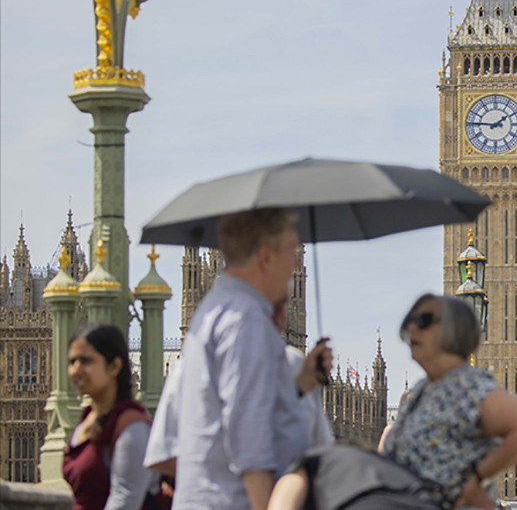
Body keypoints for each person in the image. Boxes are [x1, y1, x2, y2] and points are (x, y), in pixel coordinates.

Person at [268, 293, 517, 509]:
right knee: (310, 466)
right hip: (400, 496)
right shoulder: (424, 389)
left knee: (313, 464)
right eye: (409, 322)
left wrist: (476, 478)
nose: (412, 328)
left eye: (424, 321)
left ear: (454, 332)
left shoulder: (467, 385)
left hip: (426, 501)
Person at [173, 208, 326, 510]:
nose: (296, 264)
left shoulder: (217, 310)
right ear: (266, 257)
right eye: (291, 252)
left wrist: (297, 386)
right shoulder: (245, 321)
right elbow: (250, 444)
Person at [144, 299, 333, 477]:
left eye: (282, 304)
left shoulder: (295, 363)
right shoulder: (194, 367)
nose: (280, 314)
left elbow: (325, 453)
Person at [62, 324, 161, 510]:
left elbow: (125, 500)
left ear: (114, 366)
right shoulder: (87, 420)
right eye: (72, 361)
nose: (76, 369)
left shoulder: (131, 426)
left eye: (85, 361)